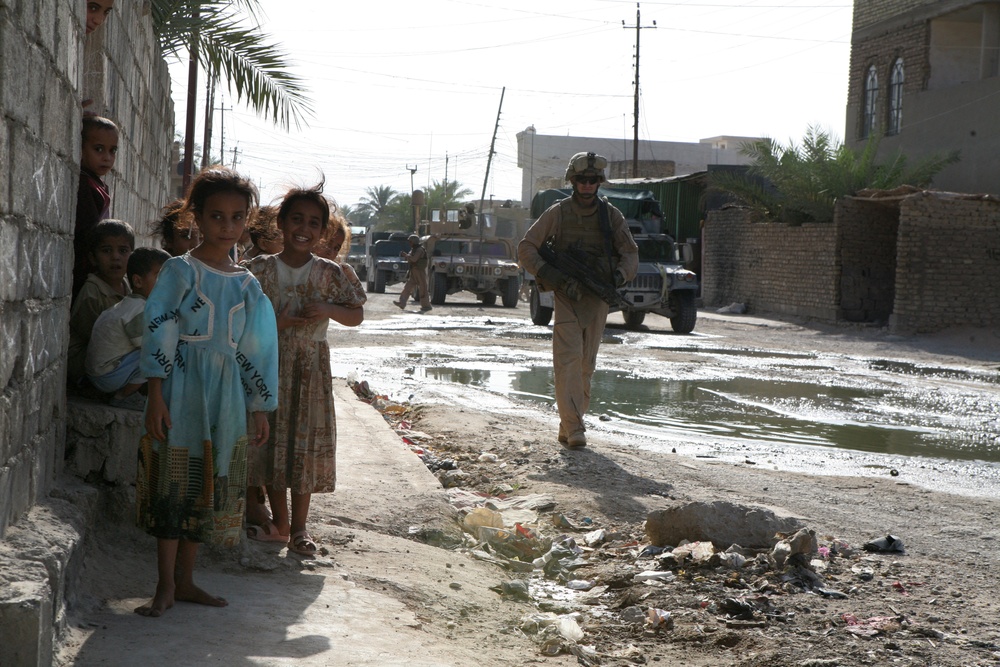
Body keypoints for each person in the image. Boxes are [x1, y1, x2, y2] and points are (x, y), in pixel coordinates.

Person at [135, 166, 278, 617]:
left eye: (238, 217)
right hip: (181, 386)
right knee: (174, 482)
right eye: (217, 216)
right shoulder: (180, 271)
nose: (228, 226)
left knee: (206, 482)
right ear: (196, 216)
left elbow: (257, 351)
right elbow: (158, 330)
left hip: (227, 395)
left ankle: (187, 581)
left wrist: (259, 408)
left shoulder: (248, 284)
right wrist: (155, 394)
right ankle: (163, 585)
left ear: (247, 220)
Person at [244, 181, 366, 555]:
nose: (304, 228)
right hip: (268, 366)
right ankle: (280, 523)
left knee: (303, 446)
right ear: (280, 223)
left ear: (322, 230)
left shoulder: (331, 273)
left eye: (314, 223)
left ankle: (300, 528)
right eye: (296, 219)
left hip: (310, 369)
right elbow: (240, 319)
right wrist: (275, 325)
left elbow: (356, 314)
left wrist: (328, 310)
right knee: (274, 444)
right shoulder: (257, 270)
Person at [517, 151, 638, 450]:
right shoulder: (558, 213)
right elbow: (526, 248)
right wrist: (554, 277)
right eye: (582, 180)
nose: (587, 185)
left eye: (593, 180)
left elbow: (630, 253)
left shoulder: (611, 216)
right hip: (567, 296)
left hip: (597, 298)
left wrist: (619, 277)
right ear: (573, 181)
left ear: (599, 182)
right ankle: (575, 428)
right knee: (569, 361)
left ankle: (568, 422)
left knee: (586, 365)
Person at [85, 247, 170, 410]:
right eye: (160, 276)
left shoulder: (129, 304)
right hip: (107, 376)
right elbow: (149, 347)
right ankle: (122, 397)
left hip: (99, 374)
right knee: (157, 356)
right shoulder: (139, 310)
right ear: (138, 281)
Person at [67, 219, 134, 386]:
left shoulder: (128, 287)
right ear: (93, 258)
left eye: (123, 250)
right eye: (106, 250)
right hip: (85, 366)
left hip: (111, 357)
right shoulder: (92, 292)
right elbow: (98, 340)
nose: (115, 257)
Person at [74, 115, 119, 300]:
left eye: (112, 150)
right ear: (81, 147)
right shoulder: (86, 185)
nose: (107, 158)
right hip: (84, 273)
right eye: (98, 149)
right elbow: (90, 235)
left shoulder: (97, 184)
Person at [395, 234, 432, 312]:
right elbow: (410, 259)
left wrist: (406, 256)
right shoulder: (413, 249)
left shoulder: (419, 250)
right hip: (413, 271)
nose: (409, 243)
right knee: (408, 287)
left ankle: (426, 305)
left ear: (414, 242)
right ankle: (402, 303)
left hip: (419, 271)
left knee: (423, 288)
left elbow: (414, 259)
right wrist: (407, 256)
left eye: (410, 241)